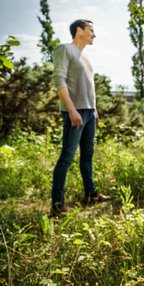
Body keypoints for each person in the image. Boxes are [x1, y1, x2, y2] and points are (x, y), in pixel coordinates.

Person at [51, 19, 112, 216]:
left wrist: (94, 110)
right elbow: (59, 80)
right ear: (79, 30)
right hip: (75, 112)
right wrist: (71, 110)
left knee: (87, 156)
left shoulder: (85, 58)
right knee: (67, 157)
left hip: (89, 112)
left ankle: (91, 194)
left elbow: (89, 88)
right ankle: (57, 205)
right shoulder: (65, 49)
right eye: (91, 30)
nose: (94, 34)